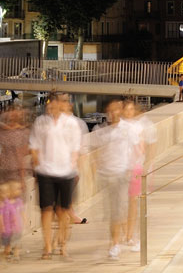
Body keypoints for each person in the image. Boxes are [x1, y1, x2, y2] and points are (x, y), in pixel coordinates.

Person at [29, 92, 86, 260]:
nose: (51, 108)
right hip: (45, 171)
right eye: (48, 105)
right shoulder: (41, 122)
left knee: (62, 211)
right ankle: (47, 246)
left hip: (66, 172)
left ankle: (62, 245)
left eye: (54, 105)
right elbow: (34, 145)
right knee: (46, 210)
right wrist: (36, 163)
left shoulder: (71, 124)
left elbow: (76, 148)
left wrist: (73, 166)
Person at [90, 99, 142, 260]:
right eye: (109, 111)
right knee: (113, 212)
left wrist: (133, 169)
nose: (112, 114)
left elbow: (136, 149)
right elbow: (95, 153)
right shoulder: (100, 130)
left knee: (119, 210)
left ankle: (116, 242)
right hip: (107, 176)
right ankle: (119, 240)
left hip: (122, 174)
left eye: (115, 110)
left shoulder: (128, 129)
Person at [123, 98, 157, 252]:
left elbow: (146, 147)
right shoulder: (119, 126)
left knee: (133, 203)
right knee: (123, 204)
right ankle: (125, 234)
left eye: (131, 110)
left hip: (135, 168)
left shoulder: (141, 126)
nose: (129, 113)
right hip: (121, 169)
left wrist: (145, 166)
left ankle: (130, 235)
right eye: (126, 109)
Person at [0, 106, 30, 188]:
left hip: (13, 171)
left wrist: (22, 178)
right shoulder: (4, 131)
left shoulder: (22, 132)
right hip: (5, 171)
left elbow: (21, 156)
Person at [0, 179, 24, 261]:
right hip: (7, 228)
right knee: (7, 244)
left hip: (16, 227)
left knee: (16, 241)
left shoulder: (17, 202)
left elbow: (19, 213)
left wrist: (23, 220)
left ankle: (16, 255)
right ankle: (8, 254)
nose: (20, 191)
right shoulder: (5, 204)